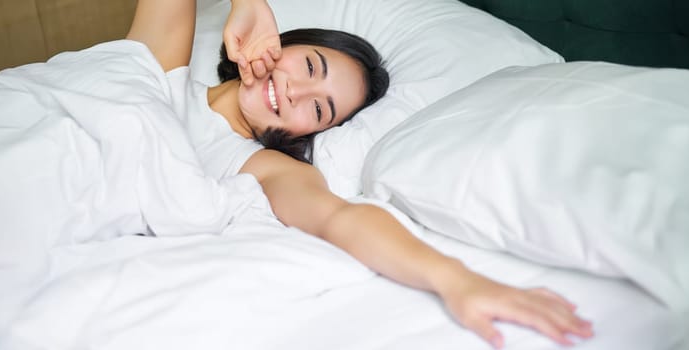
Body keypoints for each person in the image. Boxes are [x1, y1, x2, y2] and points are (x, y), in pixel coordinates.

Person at [124, 0, 594, 347]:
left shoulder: (260, 166)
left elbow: (339, 218)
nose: (297, 92)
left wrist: (456, 280)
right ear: (281, 40)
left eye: (320, 109)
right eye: (309, 65)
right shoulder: (159, 67)